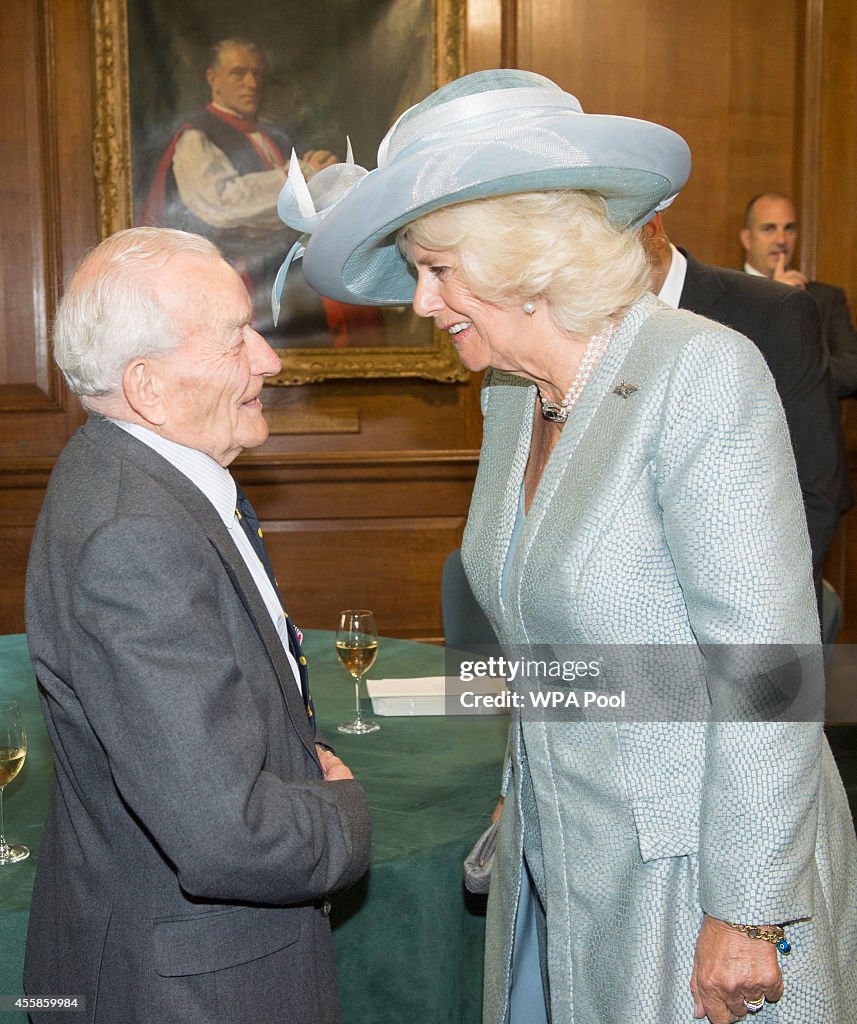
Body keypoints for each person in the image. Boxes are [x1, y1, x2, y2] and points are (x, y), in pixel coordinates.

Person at [276, 70, 857, 1023]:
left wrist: (747, 909)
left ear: (525, 261)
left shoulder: (700, 373)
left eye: (438, 270)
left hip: (696, 863)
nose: (423, 303)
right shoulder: (511, 397)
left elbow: (770, 673)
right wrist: (525, 785)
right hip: (558, 848)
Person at [24, 227, 371, 1024]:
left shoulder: (127, 474)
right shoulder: (133, 535)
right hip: (187, 987)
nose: (268, 361)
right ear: (146, 386)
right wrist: (345, 815)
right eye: (234, 340)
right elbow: (227, 834)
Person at [643, 212, 851, 614]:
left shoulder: (774, 310)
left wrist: (757, 617)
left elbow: (815, 486)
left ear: (650, 230)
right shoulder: (586, 318)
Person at [140, 37, 380, 345]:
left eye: (256, 74)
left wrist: (326, 177)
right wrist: (303, 175)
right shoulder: (197, 137)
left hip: (286, 266)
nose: (251, 83)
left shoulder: (275, 137)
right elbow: (223, 203)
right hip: (237, 272)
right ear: (213, 79)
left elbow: (297, 205)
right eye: (239, 73)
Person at [740, 192, 857, 397]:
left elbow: (851, 371)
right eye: (769, 229)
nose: (781, 240)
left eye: (789, 229)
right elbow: (735, 369)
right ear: (747, 238)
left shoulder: (826, 298)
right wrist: (773, 300)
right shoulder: (725, 293)